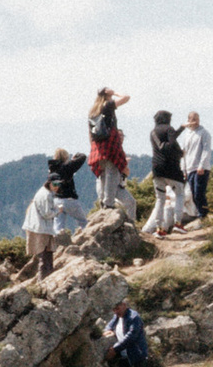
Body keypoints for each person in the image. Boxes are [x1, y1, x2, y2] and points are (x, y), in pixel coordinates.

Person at [24, 152, 83, 280]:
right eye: (55, 184)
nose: (57, 187)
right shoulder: (45, 195)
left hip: (42, 228)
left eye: (59, 184)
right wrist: (58, 211)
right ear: (49, 183)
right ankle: (43, 282)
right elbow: (46, 214)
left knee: (48, 256)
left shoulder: (47, 192)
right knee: (44, 258)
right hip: (40, 229)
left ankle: (47, 279)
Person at [88, 87, 135, 219]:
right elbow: (126, 97)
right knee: (112, 173)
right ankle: (108, 204)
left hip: (98, 147)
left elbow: (90, 134)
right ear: (107, 95)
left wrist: (93, 148)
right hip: (110, 145)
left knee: (103, 175)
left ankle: (104, 202)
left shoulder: (92, 111)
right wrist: (115, 93)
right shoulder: (107, 106)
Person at [145, 107, 188, 237]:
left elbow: (163, 145)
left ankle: (159, 229)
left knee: (160, 199)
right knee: (180, 194)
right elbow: (171, 144)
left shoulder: (153, 132)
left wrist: (181, 128)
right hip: (171, 168)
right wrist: (180, 153)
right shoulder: (169, 129)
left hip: (157, 169)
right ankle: (178, 223)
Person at [104, 293, 149, 367]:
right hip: (124, 357)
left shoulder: (134, 317)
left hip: (136, 357)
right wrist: (107, 330)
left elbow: (131, 337)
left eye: (117, 309)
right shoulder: (117, 316)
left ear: (124, 305)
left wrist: (114, 349)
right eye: (114, 310)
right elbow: (109, 325)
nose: (116, 312)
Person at [179, 107, 213, 219]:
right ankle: (200, 213)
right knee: (194, 194)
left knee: (199, 193)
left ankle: (203, 215)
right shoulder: (187, 134)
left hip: (201, 168)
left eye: (197, 118)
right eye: (192, 118)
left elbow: (206, 150)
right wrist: (183, 169)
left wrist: (201, 165)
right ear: (188, 120)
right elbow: (183, 153)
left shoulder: (204, 133)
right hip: (189, 168)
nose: (195, 120)